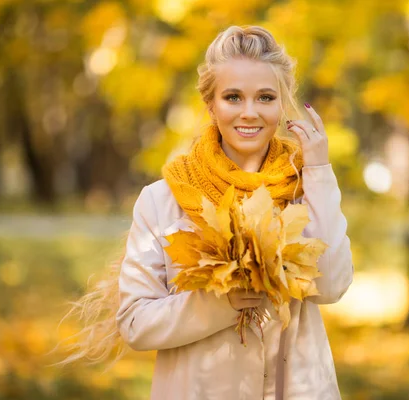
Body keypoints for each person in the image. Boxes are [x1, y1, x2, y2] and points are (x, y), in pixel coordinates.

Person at [114, 25, 354, 400]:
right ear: (211, 104)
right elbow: (135, 323)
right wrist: (218, 304)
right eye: (232, 97)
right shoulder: (163, 200)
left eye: (265, 97)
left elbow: (332, 285)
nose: (249, 113)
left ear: (281, 104)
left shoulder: (304, 190)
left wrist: (319, 171)